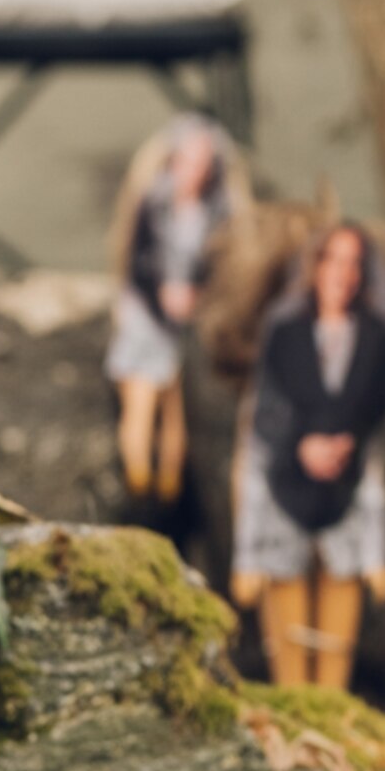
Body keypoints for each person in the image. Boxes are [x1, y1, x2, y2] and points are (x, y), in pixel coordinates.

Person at [229, 220, 385, 693]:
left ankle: (332, 708)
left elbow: (373, 434)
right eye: (333, 260)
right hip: (284, 491)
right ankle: (293, 699)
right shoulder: (285, 333)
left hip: (345, 494)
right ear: (315, 266)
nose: (343, 274)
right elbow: (260, 433)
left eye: (354, 264)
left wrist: (375, 555)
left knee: (336, 633)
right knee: (288, 629)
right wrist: (247, 556)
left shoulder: (373, 339)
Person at [107, 116, 247, 504]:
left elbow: (217, 265)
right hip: (148, 316)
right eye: (187, 160)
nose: (193, 171)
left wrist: (195, 297)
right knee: (140, 399)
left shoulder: (214, 213)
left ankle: (168, 484)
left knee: (177, 408)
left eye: (201, 163)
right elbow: (138, 262)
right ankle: (138, 480)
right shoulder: (153, 204)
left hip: (186, 326)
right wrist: (163, 299)